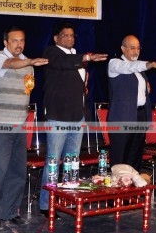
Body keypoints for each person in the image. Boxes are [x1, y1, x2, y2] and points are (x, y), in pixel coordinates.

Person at [38, 21, 108, 217]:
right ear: (56, 38)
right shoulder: (51, 52)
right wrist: (86, 57)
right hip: (58, 118)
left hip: (77, 117)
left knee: (72, 162)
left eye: (72, 35)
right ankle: (47, 204)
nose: (69, 38)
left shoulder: (77, 56)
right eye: (65, 35)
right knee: (53, 162)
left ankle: (68, 199)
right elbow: (62, 63)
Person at [0, 27, 48, 229]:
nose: (18, 44)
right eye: (14, 41)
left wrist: (29, 63)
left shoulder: (28, 65)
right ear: (5, 42)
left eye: (22, 40)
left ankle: (11, 211)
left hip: (20, 123)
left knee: (18, 172)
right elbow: (10, 64)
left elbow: (27, 89)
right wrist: (29, 62)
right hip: (0, 123)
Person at [107, 35, 156, 172]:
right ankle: (118, 190)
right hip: (122, 118)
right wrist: (152, 64)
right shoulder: (114, 63)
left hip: (140, 115)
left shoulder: (140, 70)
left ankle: (133, 188)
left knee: (135, 155)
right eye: (132, 48)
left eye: (138, 48)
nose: (136, 51)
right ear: (122, 48)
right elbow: (129, 68)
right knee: (120, 156)